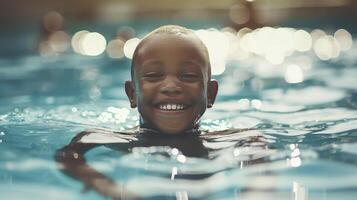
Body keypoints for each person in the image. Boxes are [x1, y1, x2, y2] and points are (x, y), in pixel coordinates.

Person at [55, 25, 263, 199]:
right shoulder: (114, 138)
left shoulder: (236, 139)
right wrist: (109, 188)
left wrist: (256, 190)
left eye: (188, 76)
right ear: (132, 94)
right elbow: (68, 156)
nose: (171, 87)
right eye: (154, 76)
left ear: (210, 94)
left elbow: (256, 147)